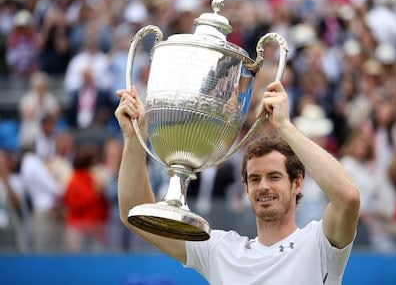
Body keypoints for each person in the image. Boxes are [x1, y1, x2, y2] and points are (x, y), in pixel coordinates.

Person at [114, 81, 360, 284]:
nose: (263, 186)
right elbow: (135, 213)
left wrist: (284, 126)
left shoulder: (319, 243)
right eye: (254, 179)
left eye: (274, 177)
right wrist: (134, 137)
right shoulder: (221, 251)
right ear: (246, 188)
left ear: (297, 184)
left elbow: (347, 197)